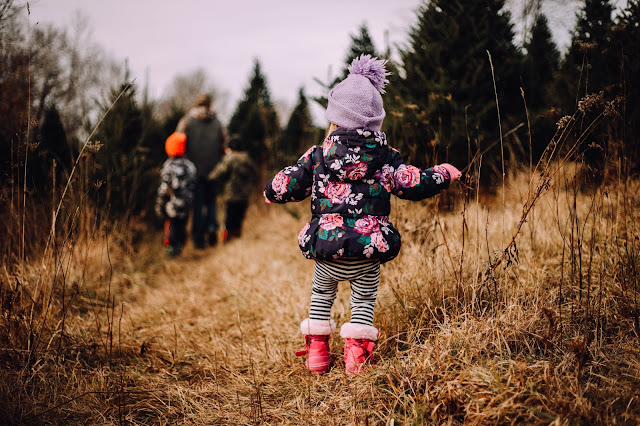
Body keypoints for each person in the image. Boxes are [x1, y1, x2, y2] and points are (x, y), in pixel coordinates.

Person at [263, 55, 461, 376]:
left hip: (326, 248)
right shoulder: (386, 157)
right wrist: (442, 174)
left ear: (334, 118)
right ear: (376, 121)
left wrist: (271, 192)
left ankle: (317, 355)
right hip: (367, 251)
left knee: (321, 294)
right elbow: (412, 183)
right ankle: (356, 359)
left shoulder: (318, 155)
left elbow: (290, 181)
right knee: (363, 300)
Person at [176, 93, 227, 249]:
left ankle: (198, 239)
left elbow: (178, 143)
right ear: (210, 105)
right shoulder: (218, 123)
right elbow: (225, 145)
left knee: (197, 204)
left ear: (196, 104)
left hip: (193, 171)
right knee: (211, 202)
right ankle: (211, 227)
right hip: (213, 170)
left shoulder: (187, 121)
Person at [155, 132, 197, 257]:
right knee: (182, 224)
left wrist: (160, 202)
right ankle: (179, 244)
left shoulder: (168, 166)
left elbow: (164, 186)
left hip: (172, 203)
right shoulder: (189, 166)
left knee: (172, 224)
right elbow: (193, 184)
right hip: (186, 202)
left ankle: (173, 247)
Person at [208, 135, 255, 242]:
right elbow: (254, 173)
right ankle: (237, 237)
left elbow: (218, 173)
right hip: (245, 194)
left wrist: (210, 178)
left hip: (232, 194)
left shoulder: (230, 158)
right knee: (239, 218)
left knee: (229, 219)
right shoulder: (247, 158)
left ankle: (228, 239)